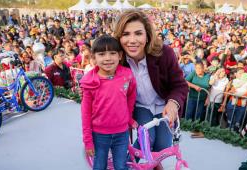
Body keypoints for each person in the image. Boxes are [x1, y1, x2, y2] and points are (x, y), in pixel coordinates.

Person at [113, 10, 188, 170]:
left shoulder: (164, 53)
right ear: (119, 37)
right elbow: (100, 77)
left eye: (138, 33)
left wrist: (174, 103)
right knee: (147, 138)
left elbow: (179, 84)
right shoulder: (117, 59)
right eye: (126, 34)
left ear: (147, 36)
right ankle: (124, 165)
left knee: (162, 147)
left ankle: (153, 163)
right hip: (139, 106)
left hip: (163, 105)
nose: (132, 40)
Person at [80, 35, 137, 170]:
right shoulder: (89, 82)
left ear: (120, 55)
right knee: (99, 166)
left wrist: (128, 118)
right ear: (93, 58)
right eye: (101, 54)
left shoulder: (127, 75)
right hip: (99, 135)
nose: (107, 58)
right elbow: (85, 113)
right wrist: (88, 140)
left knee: (121, 166)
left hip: (122, 134)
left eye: (112, 53)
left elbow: (131, 96)